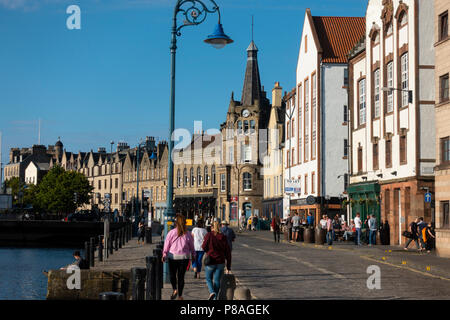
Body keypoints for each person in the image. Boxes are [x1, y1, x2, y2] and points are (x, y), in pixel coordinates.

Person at [162, 215, 195, 300]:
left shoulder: (171, 232)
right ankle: (180, 295)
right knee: (181, 277)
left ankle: (174, 289)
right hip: (184, 257)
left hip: (172, 256)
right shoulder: (188, 234)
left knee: (172, 275)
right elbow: (192, 246)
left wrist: (164, 254)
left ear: (176, 223)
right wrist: (194, 255)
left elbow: (167, 245)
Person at [202, 221, 232, 300]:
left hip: (211, 260)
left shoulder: (209, 235)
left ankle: (212, 292)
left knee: (208, 279)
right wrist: (228, 266)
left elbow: (203, 246)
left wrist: (208, 251)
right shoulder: (223, 237)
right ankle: (215, 298)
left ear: (212, 227)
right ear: (219, 227)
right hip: (220, 262)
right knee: (217, 281)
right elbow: (228, 252)